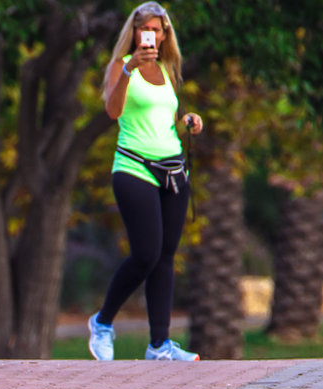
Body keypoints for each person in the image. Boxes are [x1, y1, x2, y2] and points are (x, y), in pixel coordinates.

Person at [87, 1, 203, 362]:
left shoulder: (169, 68)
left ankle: (159, 346)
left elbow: (163, 117)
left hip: (173, 168)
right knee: (146, 254)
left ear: (165, 34)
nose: (150, 35)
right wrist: (129, 68)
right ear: (134, 32)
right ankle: (102, 323)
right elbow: (113, 111)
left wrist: (188, 119)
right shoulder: (121, 66)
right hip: (134, 167)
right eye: (144, 29)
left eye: (156, 29)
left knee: (166, 257)